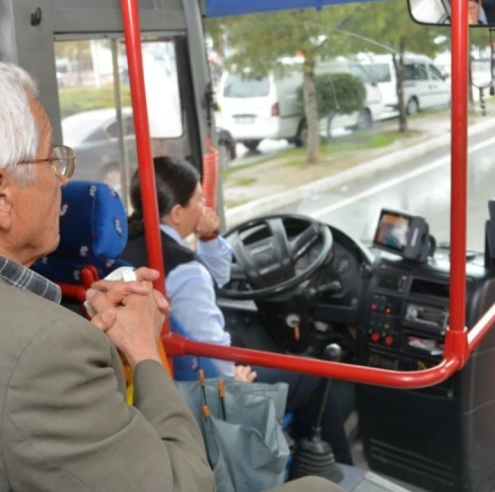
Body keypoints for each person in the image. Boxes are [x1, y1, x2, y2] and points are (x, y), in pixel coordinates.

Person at [0, 54, 343, 492]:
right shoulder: (45, 351)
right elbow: (182, 484)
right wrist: (143, 352)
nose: (62, 180)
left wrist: (93, 357)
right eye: (53, 159)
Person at [120, 156, 354, 465]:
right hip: (203, 387)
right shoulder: (185, 272)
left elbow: (218, 278)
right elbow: (209, 346)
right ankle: (332, 468)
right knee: (314, 375)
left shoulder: (125, 247)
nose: (206, 207)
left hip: (153, 379)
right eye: (199, 200)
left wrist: (208, 237)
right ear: (177, 213)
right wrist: (233, 385)